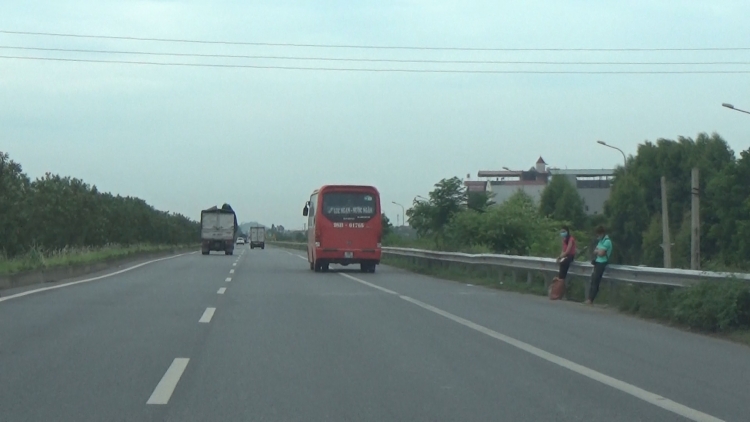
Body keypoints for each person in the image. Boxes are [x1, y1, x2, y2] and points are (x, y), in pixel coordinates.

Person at [587, 225, 613, 305]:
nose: (597, 236)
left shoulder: (607, 241)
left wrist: (599, 251)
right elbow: (596, 251)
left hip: (602, 262)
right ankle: (589, 298)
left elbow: (601, 253)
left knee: (596, 281)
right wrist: (599, 251)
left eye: (598, 234)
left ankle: (591, 299)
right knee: (593, 280)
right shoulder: (601, 241)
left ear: (602, 233)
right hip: (597, 262)